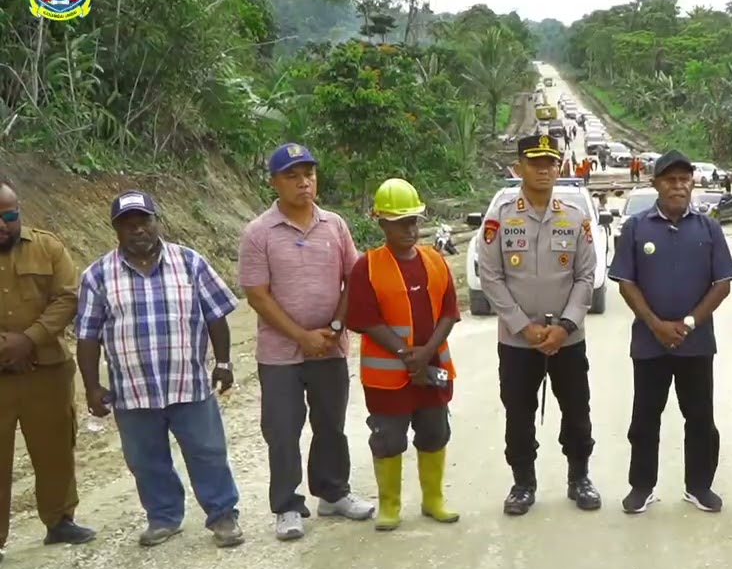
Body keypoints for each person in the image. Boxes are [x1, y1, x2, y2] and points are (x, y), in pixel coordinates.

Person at [74, 191, 243, 548]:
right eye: (128, 224)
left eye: (144, 221)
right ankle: (164, 517)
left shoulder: (190, 262)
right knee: (145, 460)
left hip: (189, 383)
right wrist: (92, 386)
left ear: (157, 221)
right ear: (116, 229)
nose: (138, 230)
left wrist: (224, 363)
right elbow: (88, 337)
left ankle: (223, 515)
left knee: (207, 452)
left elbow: (216, 316)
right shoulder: (97, 275)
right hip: (132, 391)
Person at [239, 143, 374, 541]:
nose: (303, 183)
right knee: (282, 429)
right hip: (280, 354)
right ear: (274, 183)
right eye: (292, 176)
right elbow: (257, 295)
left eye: (309, 174)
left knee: (330, 423)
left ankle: (333, 493)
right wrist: (301, 336)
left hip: (330, 346)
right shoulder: (259, 233)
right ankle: (287, 506)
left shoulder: (335, 225)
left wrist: (334, 327)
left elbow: (355, 277)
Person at [477, 133, 602, 516]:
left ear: (559, 166)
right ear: (519, 168)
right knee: (518, 413)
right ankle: (522, 483)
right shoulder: (499, 217)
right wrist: (522, 326)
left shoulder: (576, 218)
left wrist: (565, 326)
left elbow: (586, 276)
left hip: (567, 339)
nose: (544, 169)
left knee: (578, 412)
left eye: (551, 162)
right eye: (535, 162)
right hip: (518, 342)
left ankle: (579, 477)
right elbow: (491, 276)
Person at [609, 150, 732, 515]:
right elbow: (626, 283)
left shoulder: (708, 227)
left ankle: (699, 486)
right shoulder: (636, 227)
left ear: (692, 183)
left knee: (700, 418)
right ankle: (641, 486)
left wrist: (689, 323)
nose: (678, 186)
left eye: (684, 179)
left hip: (696, 344)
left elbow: (722, 283)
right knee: (645, 418)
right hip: (650, 344)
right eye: (670, 180)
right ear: (656, 184)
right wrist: (656, 324)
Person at [347, 179, 461, 531]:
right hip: (388, 378)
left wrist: (425, 354)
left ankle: (433, 499)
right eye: (401, 222)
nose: (410, 229)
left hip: (431, 370)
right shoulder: (366, 267)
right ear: (381, 222)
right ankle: (390, 506)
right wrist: (404, 354)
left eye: (414, 220)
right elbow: (364, 319)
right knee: (388, 438)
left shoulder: (435, 260)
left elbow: (449, 312)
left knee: (434, 432)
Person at [0, 178, 96, 564]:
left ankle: (59, 522)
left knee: (55, 446)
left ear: (19, 211)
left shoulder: (49, 246)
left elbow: (67, 297)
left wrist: (29, 339)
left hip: (47, 370)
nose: (3, 225)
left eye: (9, 215)